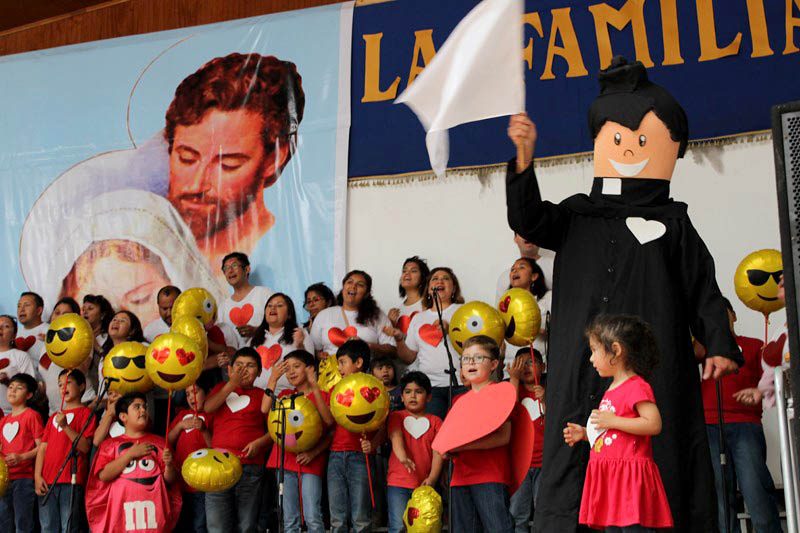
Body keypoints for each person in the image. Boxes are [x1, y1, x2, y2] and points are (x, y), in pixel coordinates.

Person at [505, 57, 740, 531]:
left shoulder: (674, 222)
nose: (629, 149)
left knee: (658, 459)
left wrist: (718, 343)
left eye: (640, 140)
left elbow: (703, 287)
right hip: (580, 365)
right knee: (573, 455)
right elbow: (527, 220)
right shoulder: (576, 216)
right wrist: (524, 157)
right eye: (617, 139)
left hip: (652, 372)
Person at [164, 53, 305, 271]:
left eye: (228, 165)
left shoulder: (287, 255)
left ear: (274, 159)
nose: (196, 185)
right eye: (187, 158)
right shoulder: (134, 243)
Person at [563, 314, 672, 531]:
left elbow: (653, 424)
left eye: (594, 350)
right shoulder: (611, 388)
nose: (591, 359)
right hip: (611, 476)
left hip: (628, 478)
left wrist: (613, 421)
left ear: (616, 350)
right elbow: (612, 432)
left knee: (633, 528)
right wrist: (586, 434)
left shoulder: (636, 386)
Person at [700, 301, 782, 533]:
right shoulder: (702, 349)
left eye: (722, 313)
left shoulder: (755, 345)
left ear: (733, 316)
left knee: (755, 489)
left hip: (745, 425)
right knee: (719, 495)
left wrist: (759, 394)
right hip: (709, 426)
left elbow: (774, 380)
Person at [262, 350, 334, 533]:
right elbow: (264, 409)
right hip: (285, 461)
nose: (291, 372)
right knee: (289, 519)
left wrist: (313, 453)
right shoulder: (285, 395)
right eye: (288, 369)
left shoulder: (323, 395)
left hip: (311, 461)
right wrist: (273, 379)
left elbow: (329, 423)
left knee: (313, 517)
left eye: (297, 366)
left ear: (310, 369)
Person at [446, 336, 513, 532]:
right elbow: (449, 438)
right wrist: (445, 450)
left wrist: (461, 446)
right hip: (460, 476)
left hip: (489, 475)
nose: (471, 362)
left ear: (494, 364)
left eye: (478, 357)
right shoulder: (459, 400)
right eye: (466, 358)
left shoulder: (502, 392)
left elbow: (503, 436)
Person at [86, 392, 181, 532]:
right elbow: (103, 475)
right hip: (121, 518)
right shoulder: (109, 445)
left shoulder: (160, 442)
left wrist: (169, 465)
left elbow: (170, 481)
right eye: (137, 407)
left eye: (144, 407)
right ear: (123, 416)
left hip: (153, 518)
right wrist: (130, 454)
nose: (143, 410)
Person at [204, 347, 271, 532]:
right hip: (218, 465)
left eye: (250, 366)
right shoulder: (220, 389)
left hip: (250, 465)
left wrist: (260, 443)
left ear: (258, 372)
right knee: (217, 525)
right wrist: (231, 384)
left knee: (247, 525)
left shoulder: (262, 395)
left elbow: (275, 431)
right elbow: (208, 408)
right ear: (230, 370)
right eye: (239, 365)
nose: (243, 370)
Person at [387, 267, 465, 420]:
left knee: (461, 433)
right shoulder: (419, 318)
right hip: (430, 388)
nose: (440, 281)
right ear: (429, 289)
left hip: (461, 384)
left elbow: (475, 345)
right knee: (434, 433)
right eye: (435, 279)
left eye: (446, 278)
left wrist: (452, 331)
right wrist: (398, 339)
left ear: (454, 288)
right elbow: (408, 357)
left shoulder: (463, 311)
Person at [328, 339, 383, 533]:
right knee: (337, 518)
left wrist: (374, 444)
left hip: (360, 456)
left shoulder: (374, 387)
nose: (340, 368)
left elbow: (384, 424)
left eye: (343, 362)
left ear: (358, 363)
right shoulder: (337, 389)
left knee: (361, 518)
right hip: (335, 455)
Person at [34, 369, 96, 532]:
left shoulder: (86, 413)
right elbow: (42, 448)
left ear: (82, 386)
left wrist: (65, 426)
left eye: (68, 383)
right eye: (60, 384)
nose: (63, 388)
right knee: (47, 527)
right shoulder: (54, 416)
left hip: (71, 480)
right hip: (48, 481)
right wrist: (37, 476)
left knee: (68, 526)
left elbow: (85, 447)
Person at [386, 371, 443, 533]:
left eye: (419, 392)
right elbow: (395, 437)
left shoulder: (436, 421)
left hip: (424, 485)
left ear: (429, 397)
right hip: (398, 483)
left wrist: (432, 478)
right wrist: (403, 457)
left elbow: (438, 452)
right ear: (402, 397)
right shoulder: (396, 417)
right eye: (408, 392)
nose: (413, 396)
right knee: (397, 527)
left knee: (423, 528)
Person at [311, 270, 396, 360]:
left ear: (367, 294)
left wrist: (367, 345)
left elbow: (393, 351)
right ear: (343, 287)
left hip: (366, 373)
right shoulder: (324, 315)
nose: (353, 286)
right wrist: (319, 356)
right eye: (350, 282)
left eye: (360, 285)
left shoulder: (377, 316)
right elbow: (314, 351)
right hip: (331, 372)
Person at [507, 348, 546, 533]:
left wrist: (545, 399)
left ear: (543, 366)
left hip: (544, 464)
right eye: (521, 364)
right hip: (520, 465)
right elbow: (510, 411)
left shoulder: (549, 392)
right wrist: (513, 379)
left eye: (531, 362)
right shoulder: (514, 390)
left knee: (543, 511)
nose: (526, 367)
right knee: (517, 513)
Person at [0, 373, 43, 533]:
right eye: (10, 387)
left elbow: (41, 446)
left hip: (24, 478)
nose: (12, 391)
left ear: (29, 395)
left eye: (19, 388)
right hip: (4, 480)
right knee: (4, 524)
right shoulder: (4, 421)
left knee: (22, 524)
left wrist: (21, 457)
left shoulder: (32, 415)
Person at [168, 380, 213, 533]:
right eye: (187, 394)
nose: (191, 397)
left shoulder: (211, 415)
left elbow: (214, 448)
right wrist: (180, 425)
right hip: (181, 482)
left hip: (201, 483)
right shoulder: (182, 415)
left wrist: (204, 430)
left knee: (200, 525)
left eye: (195, 391)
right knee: (183, 524)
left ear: (207, 392)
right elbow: (168, 441)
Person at [39, 298, 97, 415]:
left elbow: (81, 371)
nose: (59, 317)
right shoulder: (46, 345)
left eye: (65, 314)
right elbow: (47, 377)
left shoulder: (81, 339)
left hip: (81, 406)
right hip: (54, 411)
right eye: (57, 312)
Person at [250, 293, 314, 393]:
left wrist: (300, 345)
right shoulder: (254, 340)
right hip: (257, 395)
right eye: (269, 305)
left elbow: (310, 368)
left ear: (289, 314)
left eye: (279, 305)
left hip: (289, 395)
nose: (273, 308)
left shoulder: (299, 334)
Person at [501, 257, 551, 376]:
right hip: (510, 369)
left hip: (539, 370)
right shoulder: (504, 305)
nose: (514, 271)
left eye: (521, 267)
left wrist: (538, 330)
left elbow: (563, 331)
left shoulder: (548, 299)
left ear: (534, 276)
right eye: (512, 269)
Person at [218, 252, 273, 347]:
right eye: (226, 268)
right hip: (237, 360)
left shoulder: (264, 294)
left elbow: (281, 324)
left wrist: (256, 331)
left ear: (247, 269)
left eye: (234, 265)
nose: (230, 271)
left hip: (265, 355)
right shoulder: (223, 307)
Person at [495, 234, 554, 301]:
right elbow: (499, 310)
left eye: (531, 231)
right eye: (522, 232)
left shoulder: (555, 267)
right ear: (515, 238)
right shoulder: (504, 278)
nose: (527, 235)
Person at [0, 315, 37, 414]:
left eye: (6, 326)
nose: (0, 329)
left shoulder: (21, 356)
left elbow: (31, 387)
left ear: (14, 335)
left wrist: (8, 381)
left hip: (11, 415)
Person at [388, 256, 430, 336]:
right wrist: (391, 324)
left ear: (423, 278)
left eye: (413, 271)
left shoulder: (430, 305)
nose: (407, 273)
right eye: (404, 271)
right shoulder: (397, 311)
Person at [15, 291, 48, 365]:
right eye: (19, 306)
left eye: (27, 305)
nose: (21, 309)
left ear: (39, 310)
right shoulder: (13, 334)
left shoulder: (50, 331)